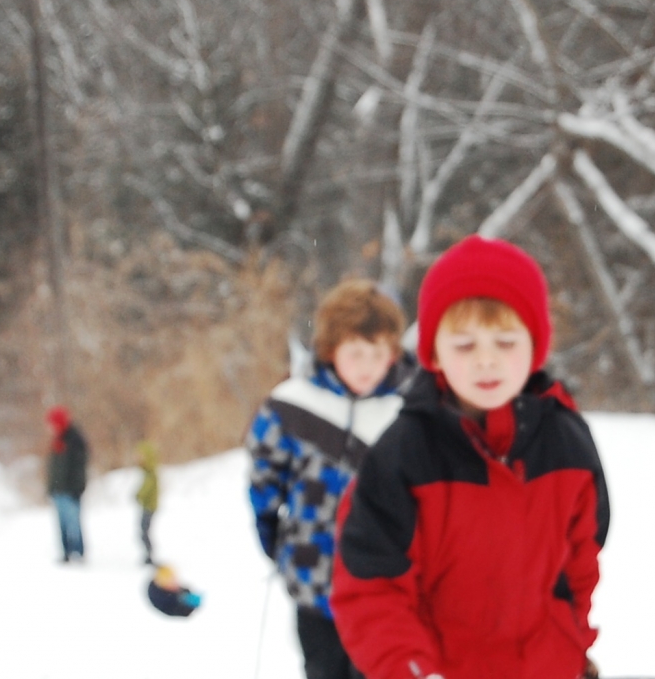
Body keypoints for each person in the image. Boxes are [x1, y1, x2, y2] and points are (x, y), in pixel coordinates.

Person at [332, 236, 609, 679]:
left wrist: (573, 644)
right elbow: (371, 587)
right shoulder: (403, 454)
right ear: (434, 353)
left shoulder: (567, 442)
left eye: (505, 342)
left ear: (534, 346)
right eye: (464, 345)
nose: (486, 361)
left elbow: (580, 563)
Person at [248, 278, 412, 679]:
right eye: (355, 353)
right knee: (324, 670)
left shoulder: (409, 410)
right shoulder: (292, 406)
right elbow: (264, 481)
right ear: (330, 349)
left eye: (378, 353)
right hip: (314, 579)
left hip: (386, 586)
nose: (367, 366)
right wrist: (274, 539)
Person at [45, 405, 89, 564]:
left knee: (74, 525)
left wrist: (77, 489)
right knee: (62, 525)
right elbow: (53, 469)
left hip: (71, 492)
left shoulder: (74, 439)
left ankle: (79, 552)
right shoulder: (57, 440)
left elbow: (79, 468)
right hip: (58, 491)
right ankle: (66, 553)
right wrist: (51, 488)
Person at [136, 439, 160, 566]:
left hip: (149, 507)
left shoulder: (150, 472)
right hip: (147, 506)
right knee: (143, 530)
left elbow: (147, 488)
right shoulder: (148, 471)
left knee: (144, 530)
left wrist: (139, 495)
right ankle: (148, 554)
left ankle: (149, 554)